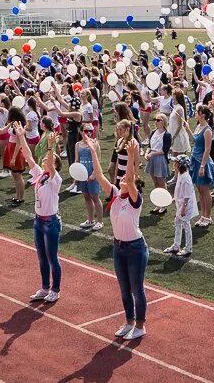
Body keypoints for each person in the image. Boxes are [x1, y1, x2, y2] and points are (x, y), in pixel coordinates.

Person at [85, 135, 148, 340]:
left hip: (135, 249)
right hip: (118, 248)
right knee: (124, 290)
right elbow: (101, 175)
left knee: (137, 289)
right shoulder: (114, 194)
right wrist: (93, 150)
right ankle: (129, 322)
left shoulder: (134, 200)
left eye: (127, 181)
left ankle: (140, 326)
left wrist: (131, 156)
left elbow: (129, 179)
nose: (122, 180)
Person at [15, 127, 63, 301]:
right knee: (42, 258)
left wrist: (51, 147)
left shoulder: (55, 179)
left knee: (52, 258)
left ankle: (55, 290)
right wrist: (21, 137)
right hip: (38, 221)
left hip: (51, 223)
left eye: (48, 161)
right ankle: (44, 288)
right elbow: (28, 156)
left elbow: (50, 164)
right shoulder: (40, 176)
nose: (44, 162)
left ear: (55, 166)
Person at [165, 155, 197, 257]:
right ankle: (176, 245)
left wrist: (183, 208)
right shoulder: (181, 174)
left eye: (176, 163)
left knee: (186, 225)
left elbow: (187, 196)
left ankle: (188, 248)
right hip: (181, 204)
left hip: (185, 206)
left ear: (180, 165)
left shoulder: (186, 178)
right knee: (178, 223)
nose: (174, 164)